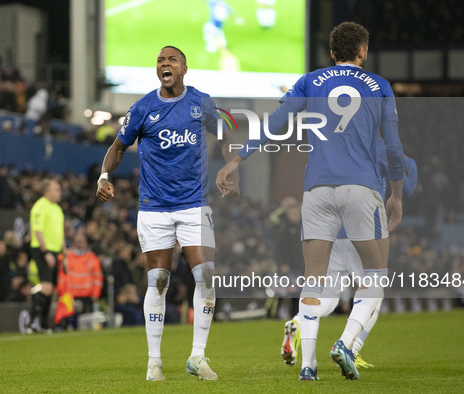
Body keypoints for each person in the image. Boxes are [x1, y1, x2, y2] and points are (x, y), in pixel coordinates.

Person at [217, 22, 404, 381]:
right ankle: (347, 344)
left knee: (314, 280)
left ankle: (308, 366)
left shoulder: (310, 81)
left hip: (317, 191)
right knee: (375, 276)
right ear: (362, 52)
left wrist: (237, 159)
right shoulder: (379, 87)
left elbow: (275, 124)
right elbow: (393, 148)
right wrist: (395, 194)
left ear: (332, 53)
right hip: (361, 189)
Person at [96, 46, 237, 381]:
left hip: (194, 204)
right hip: (155, 208)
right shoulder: (143, 107)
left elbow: (225, 137)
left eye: (171, 60)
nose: (165, 64)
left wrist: (232, 168)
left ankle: (197, 357)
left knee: (206, 275)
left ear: (184, 69)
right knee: (158, 280)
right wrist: (104, 176)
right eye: (160, 60)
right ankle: (154, 362)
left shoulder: (200, 102)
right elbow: (117, 147)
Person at [281, 146, 417, 370]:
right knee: (374, 292)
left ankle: (296, 323)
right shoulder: (378, 147)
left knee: (329, 296)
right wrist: (409, 162)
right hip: (362, 231)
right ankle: (351, 349)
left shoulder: (336, 148)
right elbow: (407, 188)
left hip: (331, 233)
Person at [27, 179, 65, 333]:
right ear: (47, 191)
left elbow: (60, 233)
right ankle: (31, 323)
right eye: (56, 189)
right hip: (43, 250)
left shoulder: (57, 209)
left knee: (53, 288)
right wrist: (45, 252)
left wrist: (65, 253)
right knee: (46, 287)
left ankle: (43, 324)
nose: (59, 192)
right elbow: (38, 231)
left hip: (56, 251)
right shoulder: (40, 206)